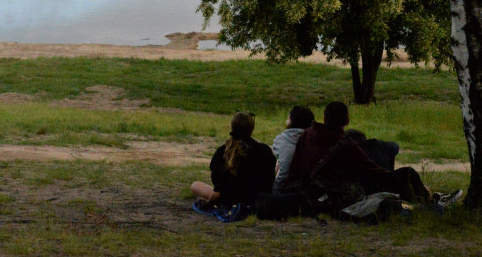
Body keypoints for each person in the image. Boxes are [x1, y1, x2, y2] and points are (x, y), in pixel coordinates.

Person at [285, 101, 461, 206]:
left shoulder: (307, 134)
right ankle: (430, 202)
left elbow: (295, 165)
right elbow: (373, 169)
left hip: (310, 189)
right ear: (347, 121)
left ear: (324, 118)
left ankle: (428, 196)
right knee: (406, 174)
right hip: (335, 190)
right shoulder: (346, 145)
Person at [192, 112, 276, 207]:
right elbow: (269, 178)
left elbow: (217, 180)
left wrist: (218, 195)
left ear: (232, 127)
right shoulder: (264, 150)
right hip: (258, 198)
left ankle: (218, 199)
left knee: (196, 185)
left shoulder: (222, 151)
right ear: (252, 129)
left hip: (230, 198)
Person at [271, 105, 315, 193]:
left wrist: (274, 188)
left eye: (288, 118)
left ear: (291, 122)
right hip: (311, 188)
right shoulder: (315, 139)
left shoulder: (282, 140)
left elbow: (283, 171)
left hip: (286, 189)